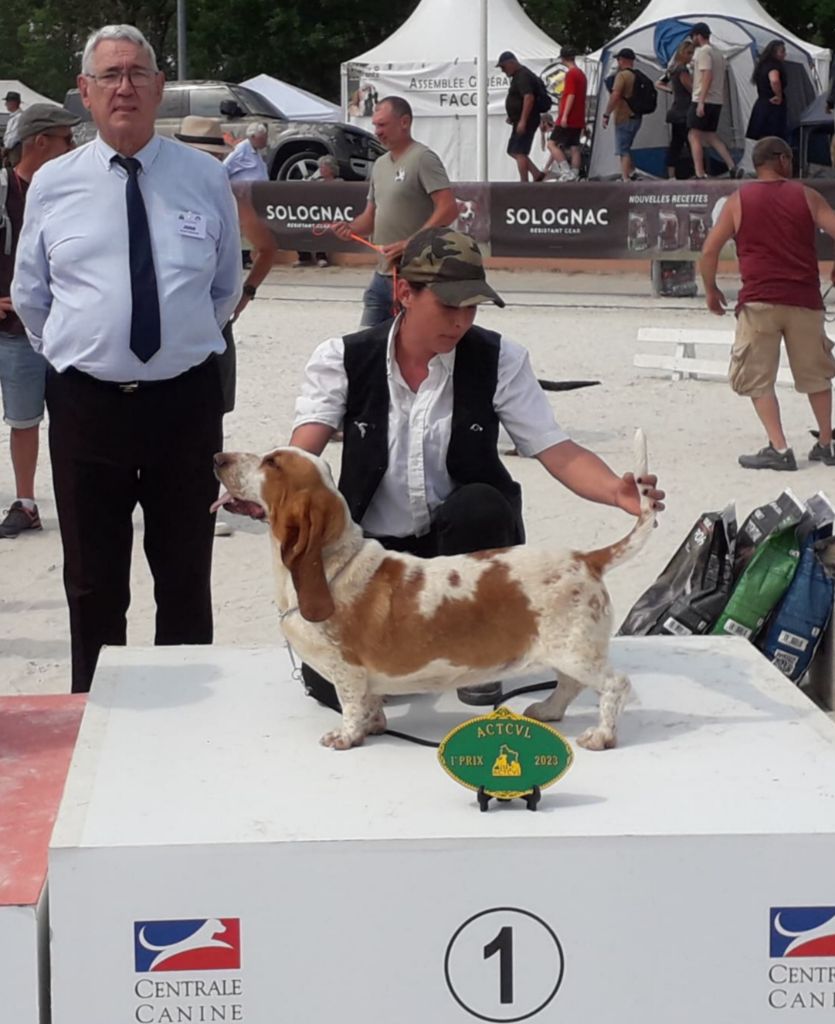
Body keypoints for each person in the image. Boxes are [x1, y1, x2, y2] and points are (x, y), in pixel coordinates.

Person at [282, 226, 664, 709]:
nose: (461, 320)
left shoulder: (500, 358)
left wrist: (616, 491)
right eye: (447, 305)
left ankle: (479, 653)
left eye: (472, 307)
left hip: (466, 552)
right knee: (331, 689)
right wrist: (263, 490)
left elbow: (556, 448)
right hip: (374, 555)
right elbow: (303, 458)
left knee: (481, 504)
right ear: (404, 293)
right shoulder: (342, 358)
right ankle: (425, 655)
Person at [12, 24, 241, 692]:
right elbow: (32, 294)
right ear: (84, 92)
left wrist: (178, 341)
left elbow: (224, 286)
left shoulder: (204, 177)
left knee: (184, 571)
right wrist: (79, 352)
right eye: (109, 75)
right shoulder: (54, 183)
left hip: (184, 401)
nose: (124, 87)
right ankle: (97, 711)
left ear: (159, 88)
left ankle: (186, 713)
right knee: (92, 579)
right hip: (87, 403)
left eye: (137, 73)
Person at [699, 136, 835, 471]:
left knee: (758, 377)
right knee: (816, 375)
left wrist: (711, 289)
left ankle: (779, 447)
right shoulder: (806, 195)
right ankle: (826, 444)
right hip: (804, 299)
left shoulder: (738, 201)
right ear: (783, 160)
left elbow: (710, 250)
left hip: (759, 300)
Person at [174, 113, 277, 536]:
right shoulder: (166, 189)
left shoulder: (229, 194)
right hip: (181, 324)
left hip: (212, 324)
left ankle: (206, 501)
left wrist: (245, 295)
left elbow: (268, 249)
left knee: (208, 417)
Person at [0, 104, 80, 539]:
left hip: (61, 329)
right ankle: (27, 501)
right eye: (67, 138)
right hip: (14, 331)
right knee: (24, 420)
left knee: (59, 419)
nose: (74, 146)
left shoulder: (71, 189)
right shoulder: (5, 189)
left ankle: (46, 499)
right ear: (40, 142)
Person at [331, 96, 457, 327]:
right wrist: (349, 228)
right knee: (367, 346)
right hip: (383, 274)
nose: (376, 131)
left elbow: (448, 208)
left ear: (404, 122)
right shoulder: (379, 165)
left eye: (382, 125)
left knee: (416, 347)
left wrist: (411, 243)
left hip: (419, 276)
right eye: (375, 124)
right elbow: (370, 218)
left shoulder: (422, 158)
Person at [688, 23, 743, 180]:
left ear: (698, 36)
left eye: (693, 37)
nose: (692, 40)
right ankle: (732, 166)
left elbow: (707, 75)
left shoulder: (703, 52)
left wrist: (701, 102)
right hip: (716, 100)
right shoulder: (718, 53)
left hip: (703, 98)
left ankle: (699, 173)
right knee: (711, 135)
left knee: (694, 135)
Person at [497, 51, 546, 182]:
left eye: (503, 67)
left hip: (527, 119)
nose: (503, 71)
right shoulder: (519, 76)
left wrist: (523, 121)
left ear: (511, 63)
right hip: (520, 119)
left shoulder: (523, 76)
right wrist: (514, 115)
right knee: (513, 150)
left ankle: (524, 183)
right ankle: (536, 173)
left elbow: (528, 97)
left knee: (519, 151)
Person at [547, 47, 587, 182]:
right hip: (578, 116)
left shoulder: (571, 74)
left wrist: (564, 115)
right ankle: (575, 173)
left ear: (562, 59)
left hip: (569, 116)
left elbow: (571, 94)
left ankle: (566, 171)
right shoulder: (581, 74)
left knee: (552, 144)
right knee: (575, 146)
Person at [602, 48, 642, 181]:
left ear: (623, 60)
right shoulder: (637, 75)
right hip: (637, 116)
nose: (617, 62)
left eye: (618, 59)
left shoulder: (622, 76)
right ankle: (632, 172)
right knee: (627, 146)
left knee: (623, 149)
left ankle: (625, 178)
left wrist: (607, 113)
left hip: (623, 116)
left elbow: (616, 95)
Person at [294, 155, 340, 268]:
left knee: (320, 227)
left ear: (331, 168)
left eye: (324, 167)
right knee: (299, 225)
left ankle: (321, 257)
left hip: (332, 214)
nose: (321, 170)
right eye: (320, 167)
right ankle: (304, 256)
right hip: (317, 212)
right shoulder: (316, 183)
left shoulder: (339, 183)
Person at [657, 39, 695, 178]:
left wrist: (671, 90)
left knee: (676, 144)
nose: (691, 56)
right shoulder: (682, 69)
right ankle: (698, 172)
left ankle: (671, 175)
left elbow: (658, 83)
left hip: (676, 110)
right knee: (692, 142)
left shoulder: (672, 68)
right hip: (685, 110)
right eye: (689, 53)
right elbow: (690, 88)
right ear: (682, 53)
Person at [746, 40, 788, 143]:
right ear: (774, 53)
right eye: (782, 52)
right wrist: (779, 96)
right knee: (772, 137)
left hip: (762, 103)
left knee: (762, 138)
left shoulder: (761, 65)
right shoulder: (774, 65)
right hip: (772, 106)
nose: (784, 55)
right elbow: (774, 80)